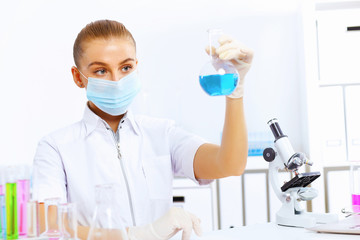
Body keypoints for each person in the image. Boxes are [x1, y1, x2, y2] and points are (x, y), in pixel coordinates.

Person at [33, 19, 253, 240]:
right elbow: (51, 225)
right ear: (78, 77)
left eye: (125, 67)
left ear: (136, 66)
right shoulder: (56, 147)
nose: (116, 80)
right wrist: (141, 235)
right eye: (101, 71)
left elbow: (230, 164)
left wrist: (236, 93)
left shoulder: (162, 133)